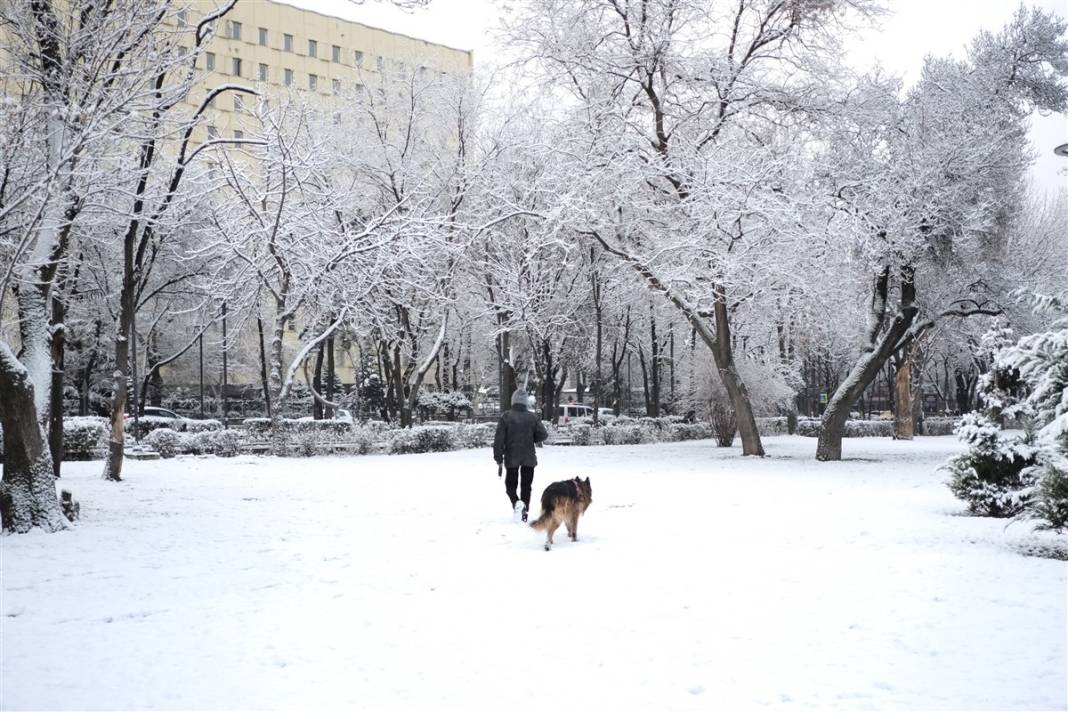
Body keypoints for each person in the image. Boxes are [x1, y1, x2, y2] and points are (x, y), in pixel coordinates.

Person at [493, 388, 548, 522]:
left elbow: (499, 439)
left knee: (510, 486)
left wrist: (498, 457)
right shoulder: (533, 417)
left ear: (513, 401)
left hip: (512, 457)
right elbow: (543, 434)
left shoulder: (506, 416)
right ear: (525, 402)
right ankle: (524, 512)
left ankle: (516, 503)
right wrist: (532, 438)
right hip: (529, 457)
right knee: (526, 486)